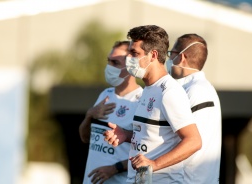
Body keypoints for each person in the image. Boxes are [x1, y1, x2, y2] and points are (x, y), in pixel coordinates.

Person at [103, 25, 202, 183]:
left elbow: (194, 141)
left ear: (153, 55)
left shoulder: (169, 92)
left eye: (135, 53)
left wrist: (154, 164)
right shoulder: (148, 89)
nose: (129, 59)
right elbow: (153, 136)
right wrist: (127, 135)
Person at [79, 40, 143, 184]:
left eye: (115, 63)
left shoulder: (140, 101)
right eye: (108, 61)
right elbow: (85, 138)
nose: (109, 67)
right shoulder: (105, 95)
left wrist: (115, 168)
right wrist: (89, 115)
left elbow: (149, 152)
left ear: (131, 66)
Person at [166, 33, 222, 183]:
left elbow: (190, 143)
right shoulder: (195, 88)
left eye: (171, 54)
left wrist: (154, 164)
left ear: (182, 57)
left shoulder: (196, 90)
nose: (169, 59)